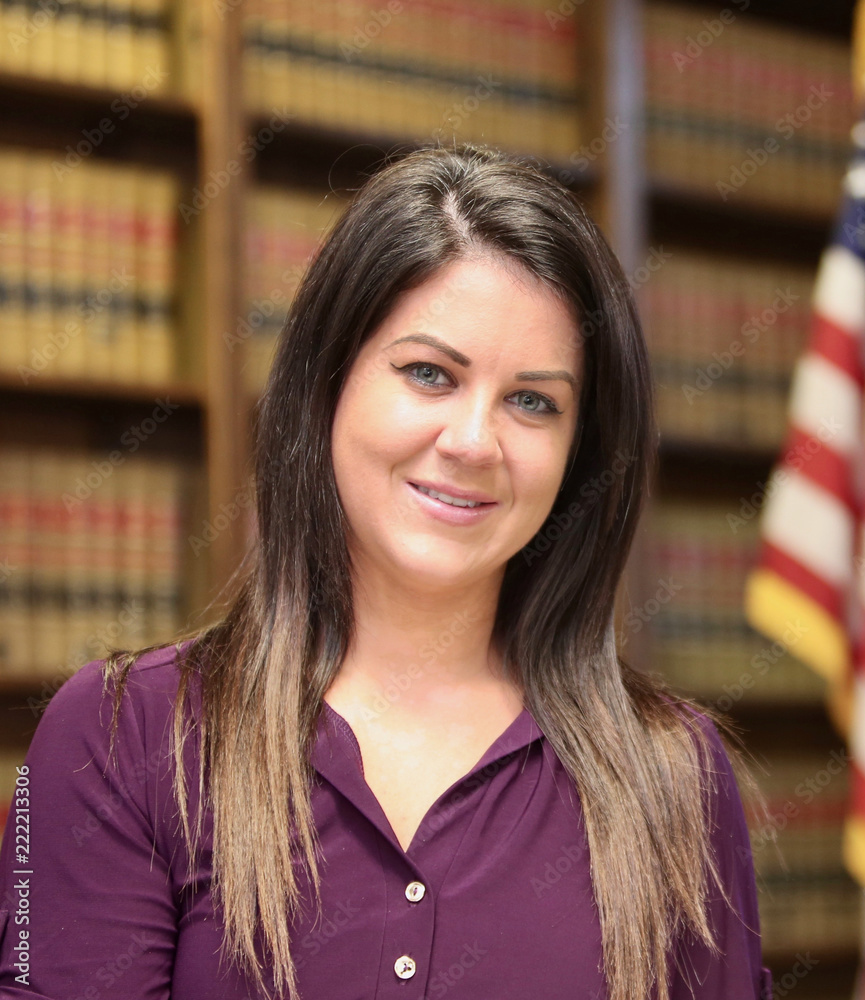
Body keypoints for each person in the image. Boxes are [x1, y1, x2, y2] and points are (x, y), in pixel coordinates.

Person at [0, 143, 773, 1000]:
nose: (474, 442)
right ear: (328, 384)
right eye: (428, 373)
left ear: (577, 453)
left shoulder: (674, 777)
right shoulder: (122, 740)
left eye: (533, 401)